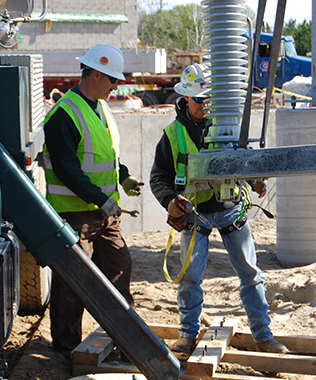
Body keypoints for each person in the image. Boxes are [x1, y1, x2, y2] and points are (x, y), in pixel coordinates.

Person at [149, 63, 288, 355]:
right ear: (186, 98)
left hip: (231, 211)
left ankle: (263, 336)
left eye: (210, 98)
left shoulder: (227, 127)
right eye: (199, 99)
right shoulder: (173, 134)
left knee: (251, 274)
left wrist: (254, 180)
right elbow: (159, 176)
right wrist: (169, 201)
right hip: (193, 215)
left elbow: (241, 160)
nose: (206, 104)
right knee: (190, 279)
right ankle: (188, 335)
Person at [42, 43, 144, 357]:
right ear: (97, 74)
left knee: (119, 270)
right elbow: (66, 168)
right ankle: (66, 346)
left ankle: (122, 335)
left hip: (105, 213)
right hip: (76, 215)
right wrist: (99, 198)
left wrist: (123, 175)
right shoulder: (65, 114)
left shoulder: (100, 107)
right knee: (75, 284)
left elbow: (106, 155)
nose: (117, 86)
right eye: (113, 80)